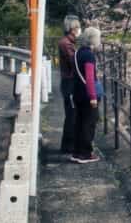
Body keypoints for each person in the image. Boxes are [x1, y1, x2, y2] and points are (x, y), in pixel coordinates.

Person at [71, 26, 102, 164]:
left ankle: (76, 152)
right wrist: (93, 97)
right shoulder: (89, 55)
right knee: (88, 124)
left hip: (77, 92)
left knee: (79, 122)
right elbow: (89, 77)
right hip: (86, 94)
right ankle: (85, 153)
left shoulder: (78, 52)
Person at [57, 14, 81, 156]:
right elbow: (75, 62)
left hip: (68, 82)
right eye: (77, 27)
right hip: (69, 83)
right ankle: (68, 146)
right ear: (71, 28)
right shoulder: (66, 44)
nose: (79, 29)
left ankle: (69, 145)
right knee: (72, 114)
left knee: (72, 114)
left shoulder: (68, 43)